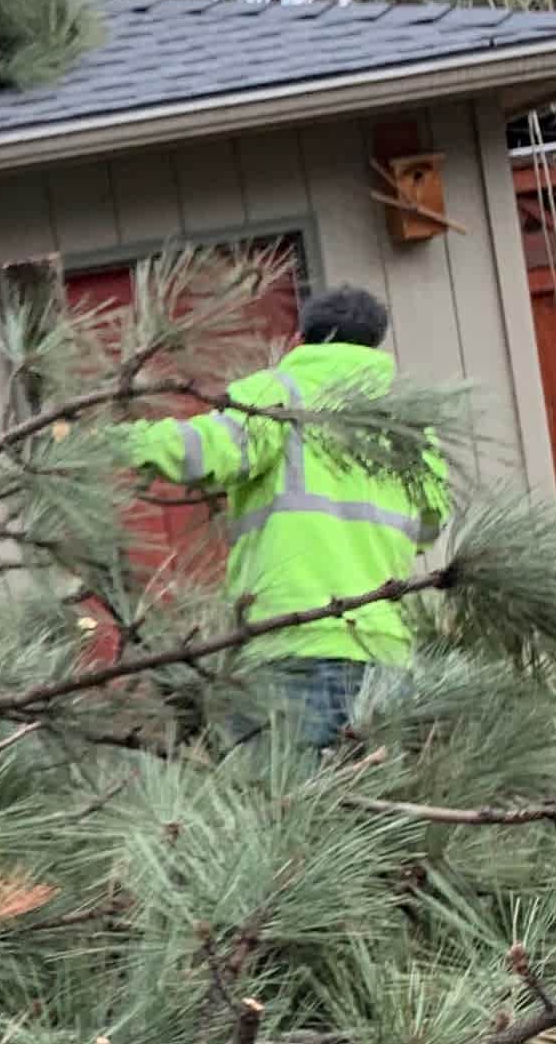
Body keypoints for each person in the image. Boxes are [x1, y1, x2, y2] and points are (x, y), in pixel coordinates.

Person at [122, 283, 451, 749]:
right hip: (384, 658)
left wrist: (115, 442)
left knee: (280, 810)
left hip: (288, 645)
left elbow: (201, 453)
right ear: (376, 345)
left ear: (299, 340)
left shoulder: (280, 392)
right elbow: (428, 525)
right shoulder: (413, 422)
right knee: (374, 816)